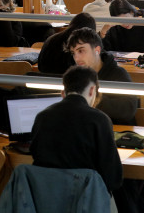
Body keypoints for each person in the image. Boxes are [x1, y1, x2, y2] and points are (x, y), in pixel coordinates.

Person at [30, 66, 122, 194]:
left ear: (63, 93)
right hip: (86, 201)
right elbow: (113, 177)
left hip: (46, 200)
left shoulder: (42, 116)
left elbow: (36, 157)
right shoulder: (99, 120)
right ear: (92, 90)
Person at [65, 27, 137, 126]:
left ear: (97, 50)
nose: (76, 58)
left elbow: (129, 109)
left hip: (116, 133)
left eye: (81, 51)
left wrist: (93, 99)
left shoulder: (118, 74)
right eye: (73, 53)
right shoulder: (76, 76)